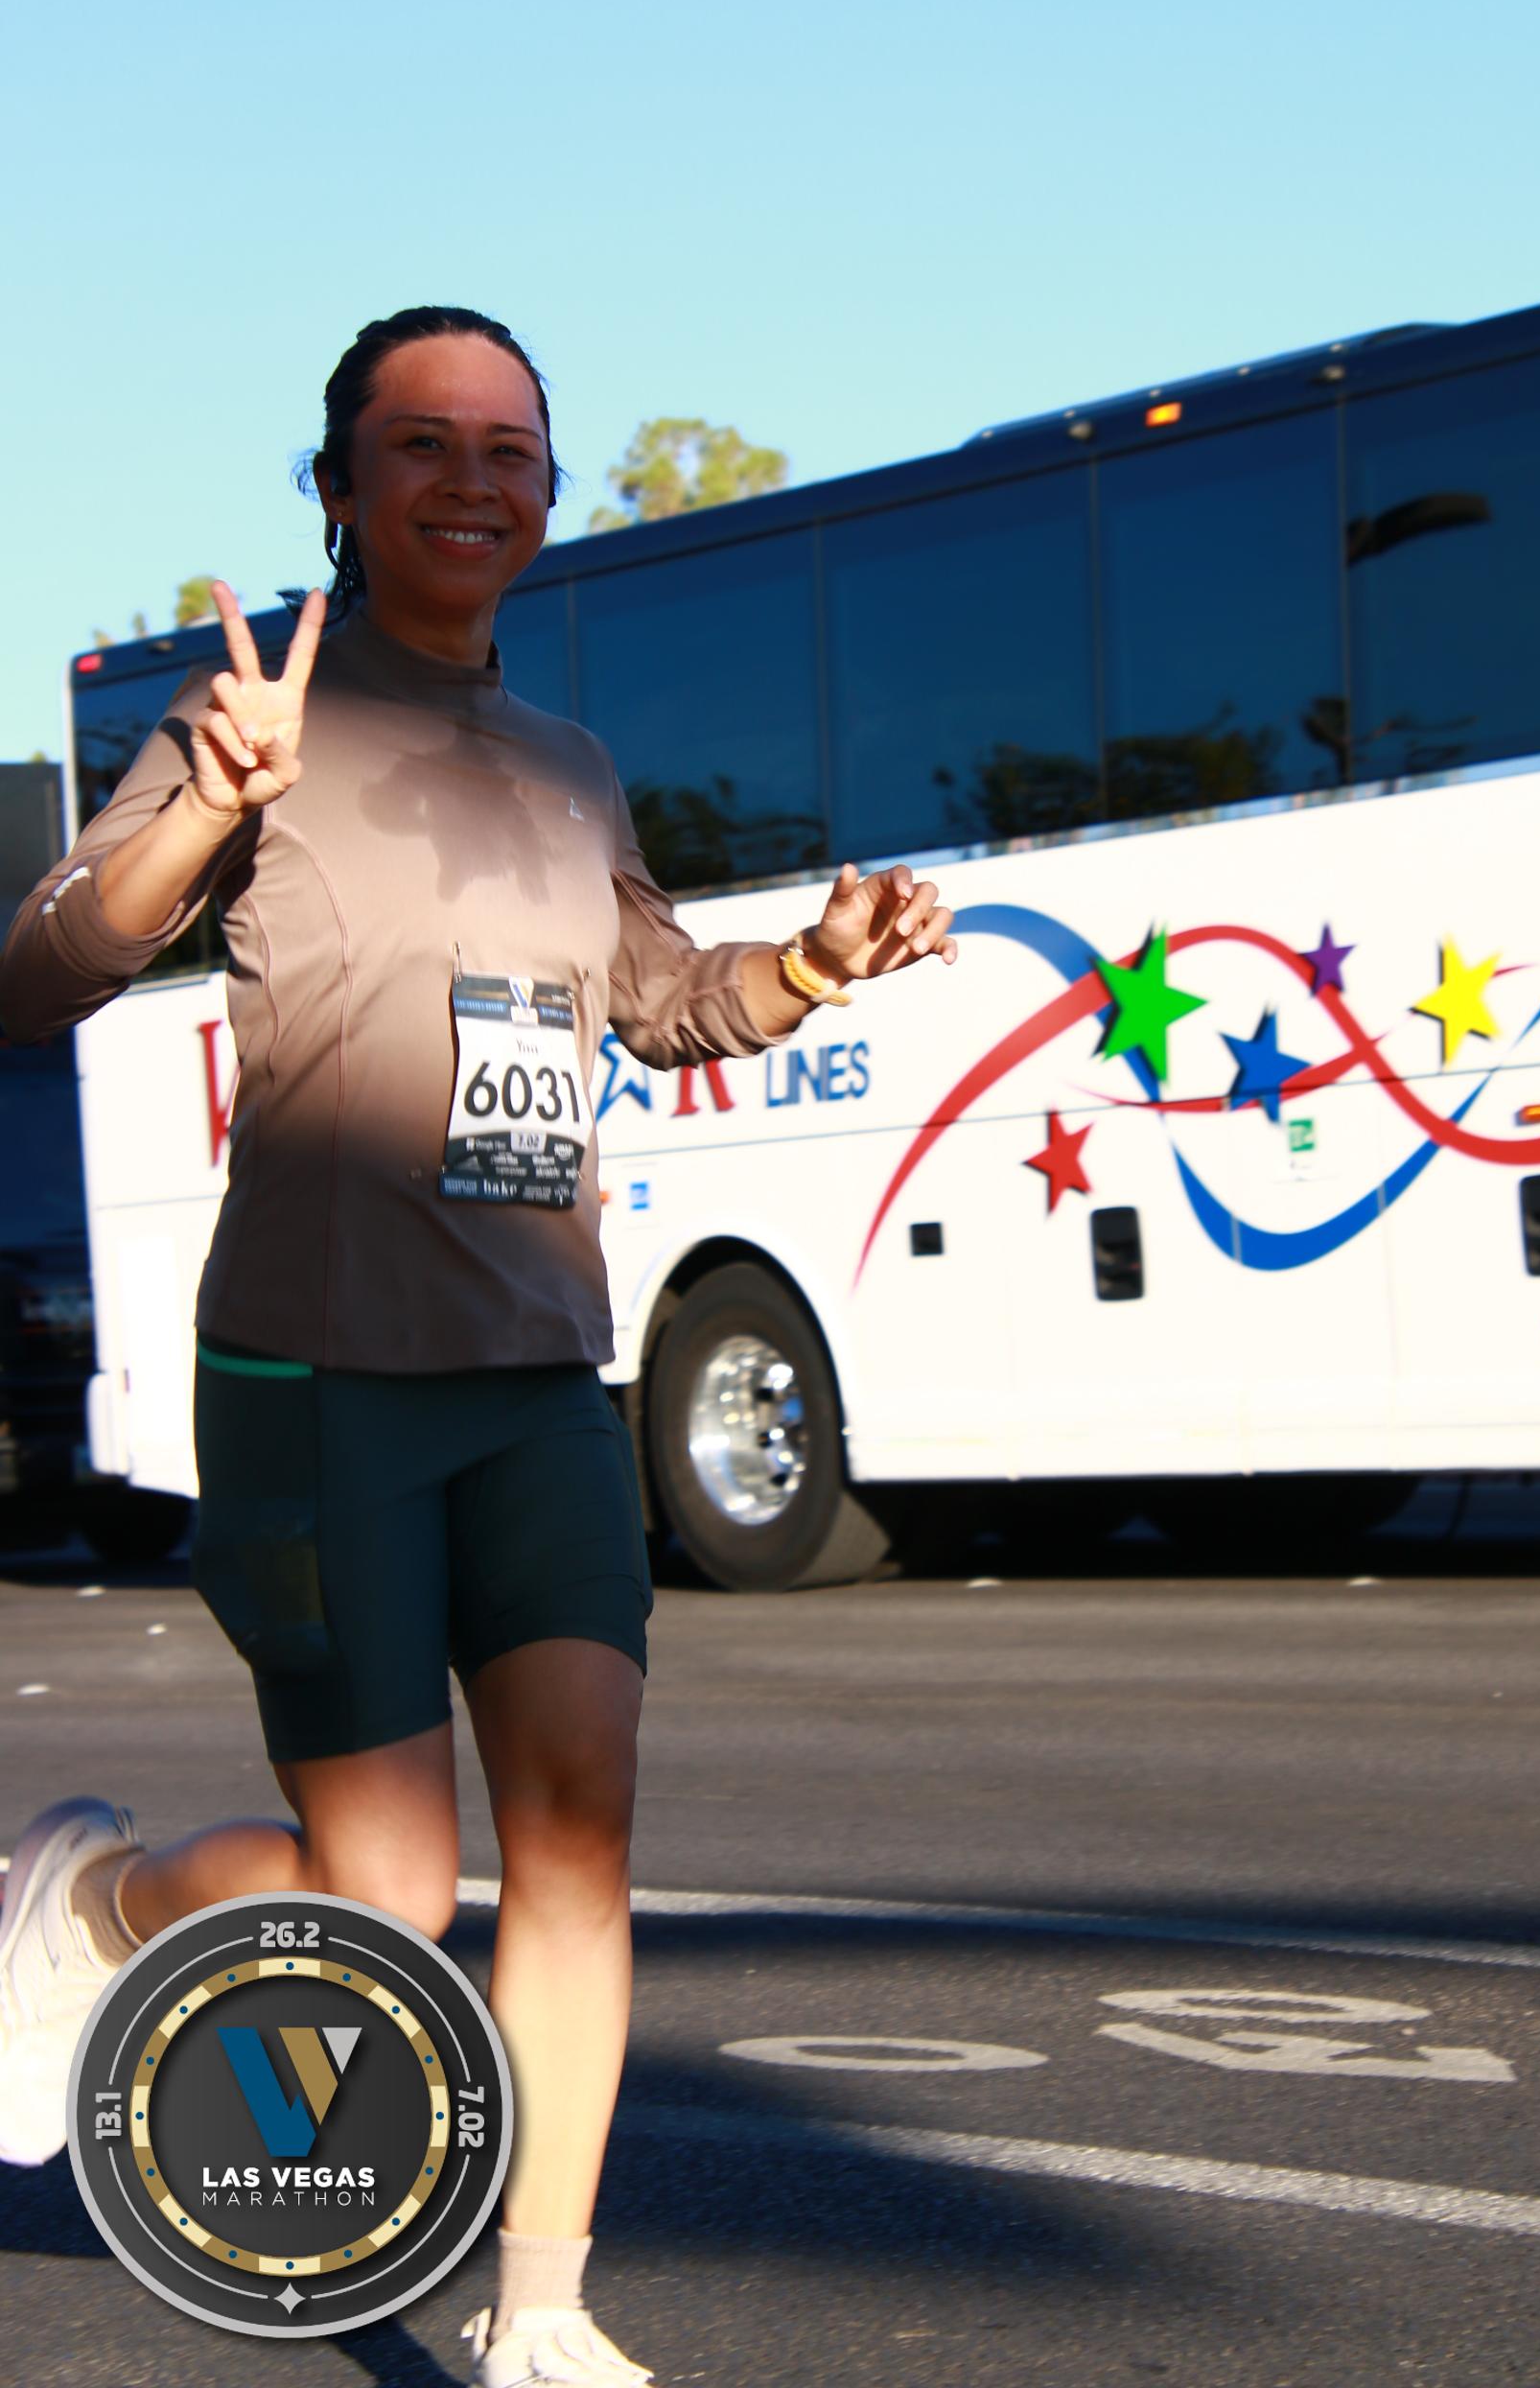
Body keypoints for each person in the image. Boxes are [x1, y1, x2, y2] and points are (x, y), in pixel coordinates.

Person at [0, 307, 957, 2387]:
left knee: (584, 1823)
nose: (473, 478)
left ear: (547, 490)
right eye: (423, 442)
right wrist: (201, 812)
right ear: (339, 487)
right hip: (319, 1379)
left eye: (512, 447)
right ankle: (101, 1903)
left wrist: (815, 963)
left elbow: (660, 998)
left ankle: (543, 2312)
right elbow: (39, 969)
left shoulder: (567, 764)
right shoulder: (253, 720)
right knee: (386, 1913)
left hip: (537, 1373)